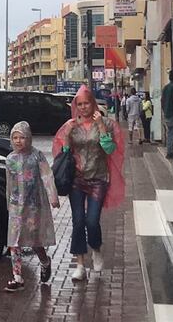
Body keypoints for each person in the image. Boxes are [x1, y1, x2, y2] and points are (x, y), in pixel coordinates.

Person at [53, 85, 125, 281]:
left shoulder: (107, 124)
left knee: (92, 221)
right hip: (77, 180)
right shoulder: (70, 125)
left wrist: (101, 126)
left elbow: (110, 149)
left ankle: (96, 248)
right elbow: (64, 154)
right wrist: (67, 137)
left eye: (86, 103)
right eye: (80, 104)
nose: (83, 107)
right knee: (78, 221)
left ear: (93, 103)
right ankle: (80, 264)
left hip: (98, 179)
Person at [4, 121, 60, 292]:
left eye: (22, 137)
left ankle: (45, 261)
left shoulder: (37, 156)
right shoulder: (10, 159)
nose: (19, 141)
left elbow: (47, 176)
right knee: (14, 242)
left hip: (33, 205)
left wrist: (53, 196)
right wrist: (9, 203)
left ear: (29, 138)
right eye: (15, 138)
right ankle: (17, 277)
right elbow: (9, 183)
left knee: (34, 240)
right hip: (15, 205)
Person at [162, 71, 173, 159]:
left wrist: (164, 111)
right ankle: (171, 152)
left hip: (167, 114)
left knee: (170, 132)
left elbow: (162, 100)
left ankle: (170, 150)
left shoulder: (166, 87)